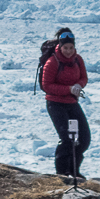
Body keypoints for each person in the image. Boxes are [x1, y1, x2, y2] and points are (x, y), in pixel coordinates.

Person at [40, 27, 89, 178]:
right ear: (60, 47)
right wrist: (69, 89)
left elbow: (84, 77)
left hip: (71, 103)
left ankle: (74, 170)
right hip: (55, 104)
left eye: (71, 48)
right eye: (65, 48)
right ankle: (62, 173)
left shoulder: (77, 59)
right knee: (67, 138)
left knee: (84, 138)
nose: (68, 51)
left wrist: (79, 85)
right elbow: (47, 86)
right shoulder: (52, 62)